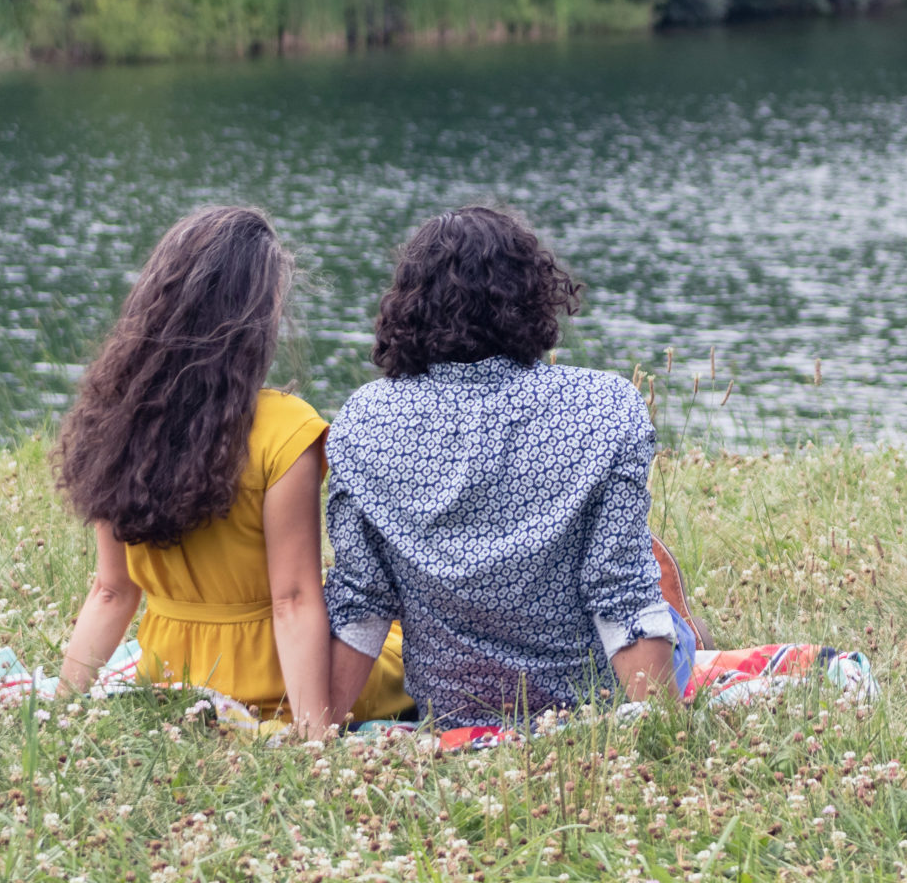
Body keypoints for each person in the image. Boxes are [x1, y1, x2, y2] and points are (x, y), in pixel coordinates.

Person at [51, 205, 408, 736]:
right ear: (255, 318)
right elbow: (292, 600)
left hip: (170, 677)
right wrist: (312, 735)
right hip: (278, 681)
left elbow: (112, 591)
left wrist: (62, 708)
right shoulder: (286, 429)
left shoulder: (115, 422)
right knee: (403, 644)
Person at [323, 206, 677, 729]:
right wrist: (663, 731)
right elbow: (620, 590)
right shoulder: (606, 405)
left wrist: (314, 730)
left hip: (450, 714)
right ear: (533, 295)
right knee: (672, 610)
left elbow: (362, 601)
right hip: (589, 707)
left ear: (410, 304)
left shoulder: (364, 421)